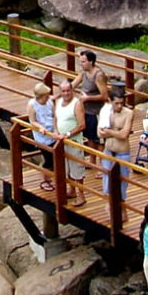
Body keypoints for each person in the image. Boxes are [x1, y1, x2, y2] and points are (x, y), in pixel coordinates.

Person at [54, 79, 86, 207]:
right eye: (63, 91)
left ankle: (81, 195)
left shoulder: (77, 104)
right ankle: (71, 190)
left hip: (73, 140)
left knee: (77, 168)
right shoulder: (58, 102)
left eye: (68, 90)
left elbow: (82, 124)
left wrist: (68, 134)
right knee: (66, 167)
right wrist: (56, 132)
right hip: (61, 141)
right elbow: (55, 119)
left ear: (72, 90)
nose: (66, 93)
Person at [100, 91, 133, 199]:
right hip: (108, 151)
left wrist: (109, 132)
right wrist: (116, 133)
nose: (119, 106)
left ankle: (122, 212)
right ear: (110, 101)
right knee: (107, 188)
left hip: (122, 153)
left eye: (121, 103)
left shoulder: (128, 113)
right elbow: (99, 133)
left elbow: (124, 135)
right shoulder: (105, 111)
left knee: (121, 190)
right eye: (116, 103)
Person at [77, 50, 110, 154]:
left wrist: (88, 98)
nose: (81, 64)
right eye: (80, 61)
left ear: (90, 62)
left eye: (83, 62)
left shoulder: (98, 75)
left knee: (99, 140)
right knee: (89, 137)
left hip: (97, 112)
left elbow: (104, 96)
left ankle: (103, 163)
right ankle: (92, 161)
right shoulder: (83, 73)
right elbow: (72, 84)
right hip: (86, 111)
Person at [27, 82, 56, 190]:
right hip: (42, 135)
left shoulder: (50, 102)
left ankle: (49, 178)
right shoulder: (32, 104)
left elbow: (53, 116)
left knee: (54, 157)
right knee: (48, 158)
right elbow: (32, 121)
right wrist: (40, 127)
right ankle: (44, 180)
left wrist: (56, 129)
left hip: (52, 131)